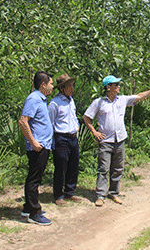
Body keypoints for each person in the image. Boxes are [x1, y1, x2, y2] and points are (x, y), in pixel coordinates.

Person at [83, 75, 150, 207]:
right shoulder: (98, 102)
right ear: (108, 87)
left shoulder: (122, 100)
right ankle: (100, 195)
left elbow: (139, 96)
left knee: (118, 168)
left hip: (119, 139)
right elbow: (86, 117)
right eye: (116, 84)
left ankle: (114, 193)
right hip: (105, 141)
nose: (119, 86)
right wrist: (94, 132)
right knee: (103, 168)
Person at [18, 71, 54, 226]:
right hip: (37, 147)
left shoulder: (41, 100)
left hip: (43, 145)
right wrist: (33, 143)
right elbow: (23, 121)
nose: (53, 87)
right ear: (43, 85)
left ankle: (27, 207)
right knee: (34, 179)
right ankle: (34, 212)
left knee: (35, 177)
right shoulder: (33, 99)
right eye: (51, 83)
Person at [48, 74, 82, 206]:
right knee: (61, 167)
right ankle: (58, 195)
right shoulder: (54, 103)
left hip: (73, 138)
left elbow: (73, 117)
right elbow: (50, 123)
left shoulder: (71, 101)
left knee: (73, 165)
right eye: (69, 86)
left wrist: (77, 129)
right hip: (61, 138)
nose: (72, 88)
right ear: (62, 88)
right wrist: (52, 142)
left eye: (72, 85)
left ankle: (70, 192)